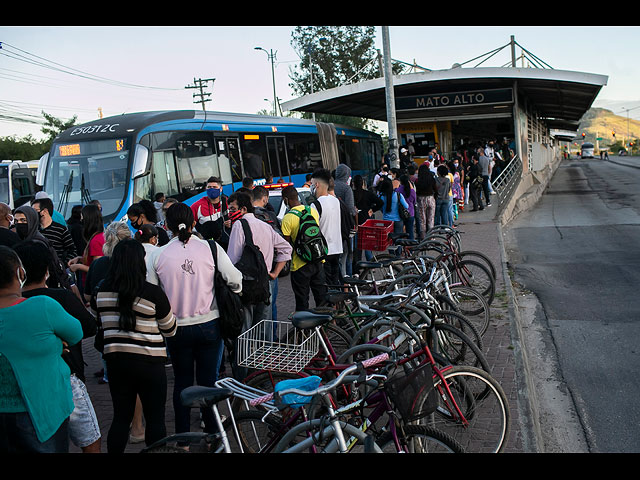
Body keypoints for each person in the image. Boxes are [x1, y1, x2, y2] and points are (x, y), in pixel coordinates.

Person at [146, 202, 242, 445]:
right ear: (193, 223)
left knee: (182, 382)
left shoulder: (158, 255)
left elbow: (151, 293)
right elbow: (234, 279)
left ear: (166, 227)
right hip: (210, 325)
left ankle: (183, 440)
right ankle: (212, 435)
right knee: (208, 382)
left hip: (175, 329)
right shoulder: (211, 248)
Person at [15, 240, 101, 453]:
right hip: (66, 376)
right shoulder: (58, 298)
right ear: (47, 271)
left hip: (25, 380)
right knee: (88, 436)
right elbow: (87, 327)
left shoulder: (12, 302)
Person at [91, 239, 176, 453]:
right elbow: (170, 329)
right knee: (155, 419)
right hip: (150, 363)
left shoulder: (101, 292)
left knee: (121, 417)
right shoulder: (153, 293)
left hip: (117, 362)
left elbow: (98, 320)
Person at [0, 246, 83, 453]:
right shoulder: (43, 307)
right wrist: (56, 343)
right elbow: (76, 333)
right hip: (44, 412)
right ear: (20, 272)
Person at [226, 191, 292, 380]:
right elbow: (286, 249)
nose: (230, 213)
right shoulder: (265, 226)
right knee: (262, 332)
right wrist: (275, 273)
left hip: (245, 288)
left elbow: (232, 260)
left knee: (244, 335)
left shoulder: (239, 225)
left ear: (243, 208)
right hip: (265, 286)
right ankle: (263, 376)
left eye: (233, 209)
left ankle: (243, 380)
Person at [280, 185, 327, 312]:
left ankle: (304, 329)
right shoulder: (312, 211)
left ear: (286, 200)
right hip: (317, 260)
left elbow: (286, 245)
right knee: (321, 298)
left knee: (302, 300)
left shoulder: (288, 218)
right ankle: (325, 328)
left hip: (300, 265)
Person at [251, 186, 285, 321]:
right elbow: (282, 244)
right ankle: (272, 339)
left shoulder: (243, 217)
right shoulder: (269, 216)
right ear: (265, 199)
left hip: (251, 270)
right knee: (269, 307)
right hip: (269, 269)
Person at [310, 168, 343, 286]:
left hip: (324, 252)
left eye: (312, 184)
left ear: (317, 185)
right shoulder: (336, 201)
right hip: (338, 248)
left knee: (327, 286)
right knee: (335, 281)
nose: (311, 187)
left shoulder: (315, 205)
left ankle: (331, 305)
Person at [67, 204, 105, 294]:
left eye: (82, 218)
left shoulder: (96, 240)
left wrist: (78, 267)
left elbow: (97, 268)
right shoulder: (96, 237)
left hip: (92, 287)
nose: (80, 220)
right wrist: (79, 259)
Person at [32, 197, 77, 266]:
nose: (33, 213)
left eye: (35, 210)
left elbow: (72, 250)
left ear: (45, 211)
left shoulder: (61, 229)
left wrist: (62, 265)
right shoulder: (33, 230)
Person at [190, 176, 231, 248]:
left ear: (220, 189)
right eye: (209, 187)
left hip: (227, 243)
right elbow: (190, 226)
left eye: (214, 187)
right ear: (206, 188)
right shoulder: (196, 206)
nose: (212, 189)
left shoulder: (228, 202)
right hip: (206, 246)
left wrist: (231, 223)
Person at [352, 175, 383, 268]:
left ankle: (357, 268)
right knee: (367, 244)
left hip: (355, 221)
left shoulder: (351, 194)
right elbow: (381, 202)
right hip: (367, 220)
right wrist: (372, 210)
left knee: (357, 245)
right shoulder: (368, 194)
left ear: (353, 184)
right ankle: (371, 264)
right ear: (363, 184)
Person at [333, 164, 357, 278]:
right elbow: (351, 210)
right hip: (345, 227)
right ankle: (347, 280)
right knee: (346, 255)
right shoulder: (346, 188)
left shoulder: (331, 186)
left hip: (332, 226)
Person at [377, 177, 409, 254]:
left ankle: (391, 255)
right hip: (398, 221)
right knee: (398, 240)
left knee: (389, 240)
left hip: (387, 222)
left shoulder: (381, 197)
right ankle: (398, 255)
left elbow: (380, 208)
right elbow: (406, 206)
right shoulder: (398, 195)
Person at [415, 164, 437, 239]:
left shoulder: (418, 180)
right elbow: (436, 189)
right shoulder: (431, 179)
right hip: (431, 198)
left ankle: (424, 238)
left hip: (421, 200)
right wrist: (435, 197)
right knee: (431, 220)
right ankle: (432, 238)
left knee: (422, 221)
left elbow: (416, 191)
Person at [396, 174, 417, 241]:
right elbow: (414, 202)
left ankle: (402, 247)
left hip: (400, 214)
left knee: (401, 232)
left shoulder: (397, 191)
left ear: (401, 182)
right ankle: (411, 248)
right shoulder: (412, 191)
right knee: (410, 231)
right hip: (410, 213)